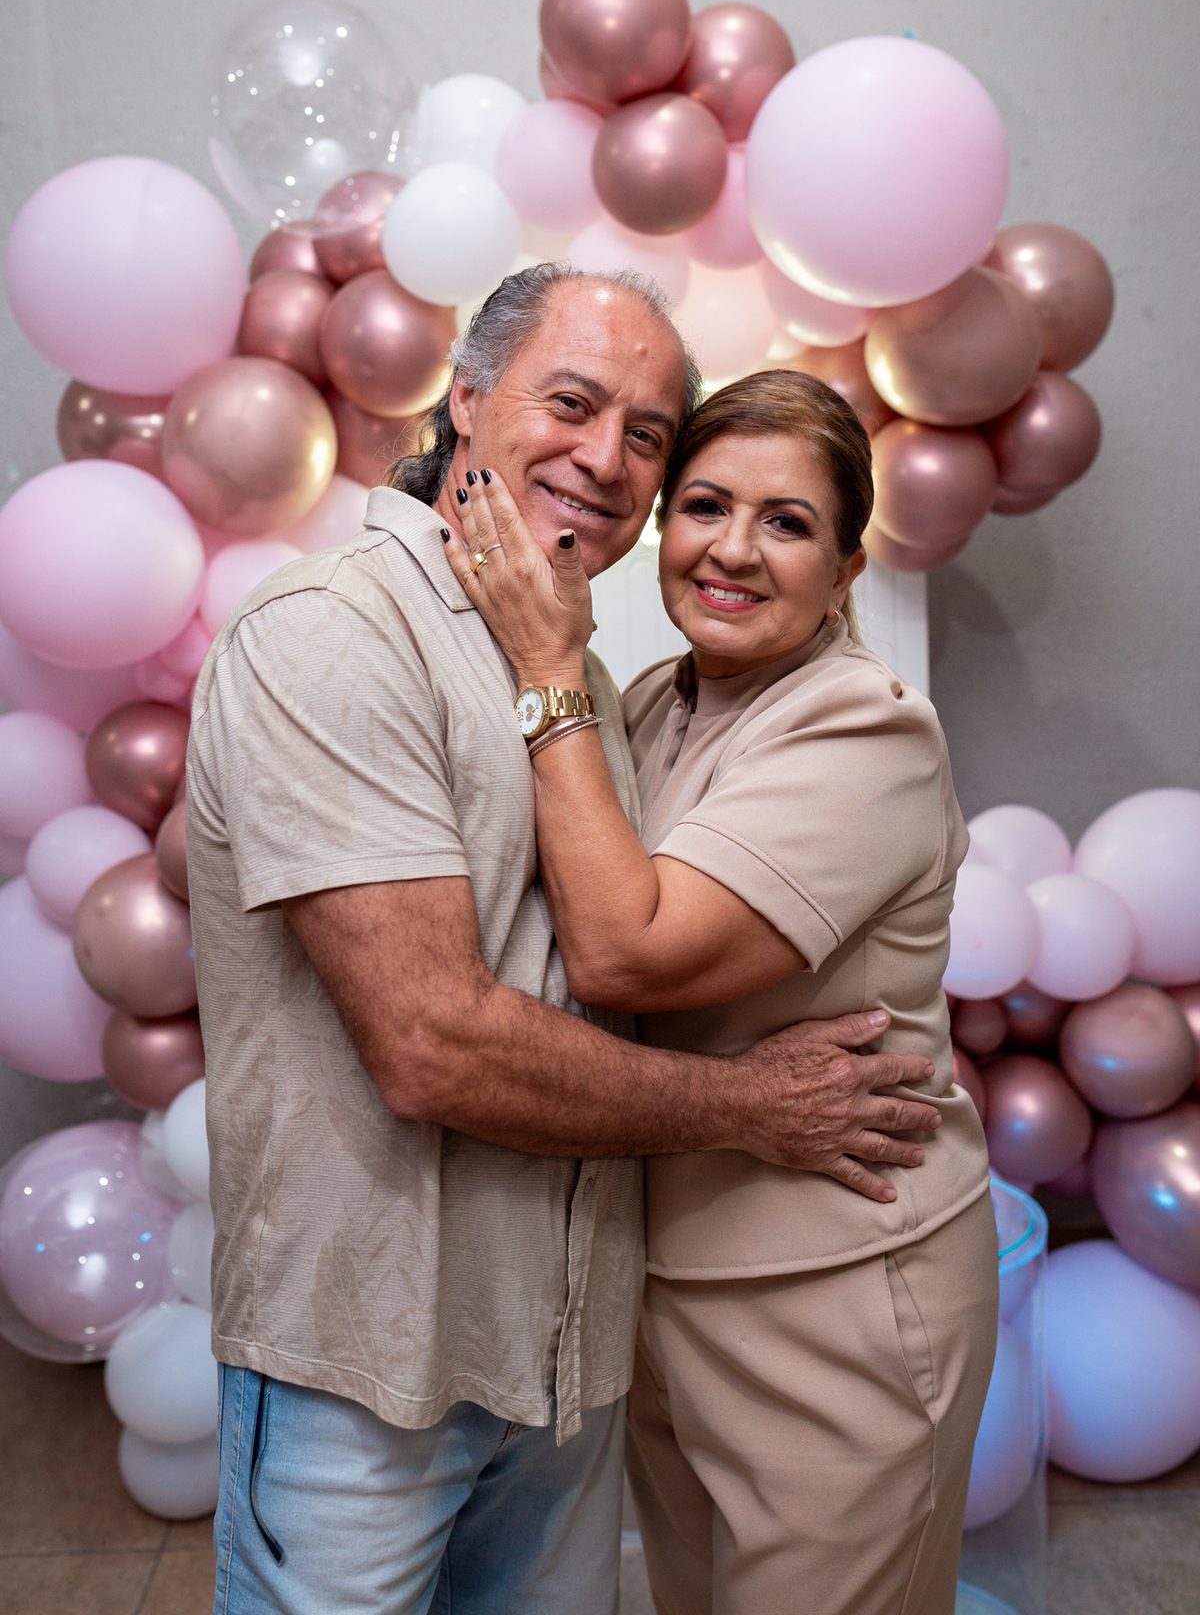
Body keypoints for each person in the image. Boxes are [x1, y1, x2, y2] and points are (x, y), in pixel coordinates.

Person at [187, 268, 941, 1615]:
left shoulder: (581, 673)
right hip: (373, 1365)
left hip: (567, 1359)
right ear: (467, 400)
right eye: (573, 404)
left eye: (647, 434)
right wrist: (751, 1106)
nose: (606, 459)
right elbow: (433, 1044)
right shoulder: (335, 633)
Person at [443, 365, 997, 1615]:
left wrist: (547, 660)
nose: (732, 550)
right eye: (704, 506)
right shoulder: (654, 704)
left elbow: (627, 953)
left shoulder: (869, 732)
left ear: (846, 571)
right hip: (666, 1276)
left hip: (836, 1295)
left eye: (786, 522)